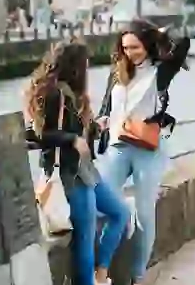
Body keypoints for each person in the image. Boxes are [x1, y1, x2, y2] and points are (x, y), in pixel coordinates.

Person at [24, 39, 131, 285]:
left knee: (120, 213)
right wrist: (71, 139)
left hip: (86, 172)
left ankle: (101, 272)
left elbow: (77, 131)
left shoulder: (73, 95)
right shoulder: (55, 95)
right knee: (85, 237)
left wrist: (94, 127)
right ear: (76, 66)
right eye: (85, 64)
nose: (88, 68)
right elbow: (36, 135)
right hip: (69, 176)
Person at [95, 19, 190, 284]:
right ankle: (102, 269)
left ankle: (138, 274)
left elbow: (184, 40)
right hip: (117, 144)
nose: (130, 53)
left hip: (147, 148)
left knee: (145, 213)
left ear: (147, 45)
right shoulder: (117, 72)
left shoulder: (161, 71)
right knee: (103, 206)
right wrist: (102, 119)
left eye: (135, 47)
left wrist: (159, 33)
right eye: (125, 48)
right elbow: (106, 106)